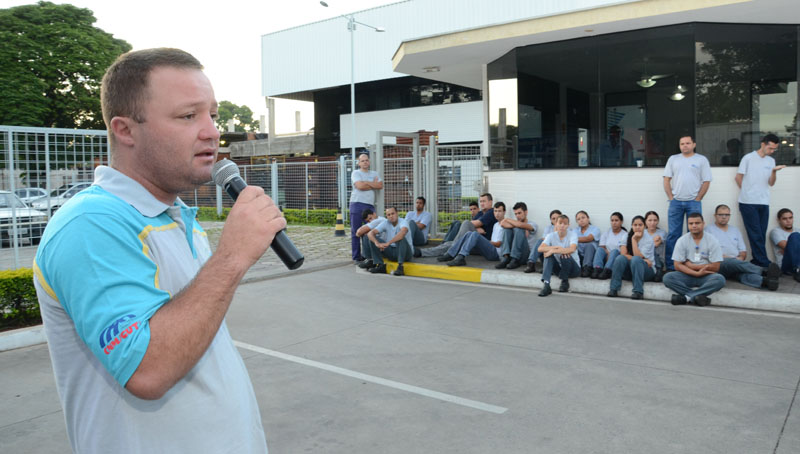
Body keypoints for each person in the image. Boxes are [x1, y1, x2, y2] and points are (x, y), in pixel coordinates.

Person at [32, 48, 274, 452]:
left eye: (212, 115)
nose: (212, 131)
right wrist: (231, 257)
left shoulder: (175, 217)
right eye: (188, 116)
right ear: (125, 130)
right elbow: (146, 370)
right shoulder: (91, 224)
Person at [663, 133, 712, 271]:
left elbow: (707, 181)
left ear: (694, 144)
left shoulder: (701, 160)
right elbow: (666, 179)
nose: (685, 146)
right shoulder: (673, 159)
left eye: (687, 143)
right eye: (682, 144)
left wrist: (698, 198)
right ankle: (672, 266)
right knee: (673, 235)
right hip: (676, 202)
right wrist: (671, 198)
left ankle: (694, 264)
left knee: (695, 233)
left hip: (693, 203)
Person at [735, 134, 786, 267]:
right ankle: (764, 263)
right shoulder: (748, 158)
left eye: (774, 149)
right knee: (755, 233)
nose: (772, 151)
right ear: (763, 144)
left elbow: (771, 183)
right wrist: (747, 191)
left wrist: (774, 172)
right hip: (748, 202)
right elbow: (738, 177)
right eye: (770, 148)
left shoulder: (770, 161)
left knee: (761, 234)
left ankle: (757, 261)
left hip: (764, 202)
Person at [705, 204, 780, 291]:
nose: (724, 217)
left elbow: (743, 252)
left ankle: (766, 282)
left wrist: (740, 258)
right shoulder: (708, 230)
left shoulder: (735, 230)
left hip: (737, 264)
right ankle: (764, 271)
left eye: (727, 215)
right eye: (721, 215)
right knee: (731, 262)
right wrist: (731, 259)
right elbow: (707, 252)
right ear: (715, 216)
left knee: (743, 275)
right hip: (719, 264)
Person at [662, 212, 725, 306]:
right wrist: (695, 273)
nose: (694, 226)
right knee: (668, 278)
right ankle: (697, 297)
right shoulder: (682, 240)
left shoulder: (712, 240)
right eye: (691, 224)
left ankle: (686, 298)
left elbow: (716, 267)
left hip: (706, 275)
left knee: (720, 279)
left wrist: (693, 266)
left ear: (703, 224)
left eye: (697, 223)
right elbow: (677, 265)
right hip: (687, 274)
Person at [425, 193, 496, 258]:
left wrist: (475, 226)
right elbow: (473, 225)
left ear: (490, 202)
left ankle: (452, 251)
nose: (482, 203)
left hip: (484, 246)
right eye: (480, 201)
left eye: (484, 201)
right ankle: (422, 252)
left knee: (465, 223)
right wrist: (477, 229)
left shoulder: (491, 212)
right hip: (472, 243)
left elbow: (474, 224)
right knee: (448, 244)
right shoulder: (480, 213)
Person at [439, 202, 506, 266]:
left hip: (496, 254)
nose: (497, 214)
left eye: (499, 211)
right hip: (490, 249)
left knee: (475, 234)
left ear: (504, 212)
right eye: (495, 211)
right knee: (469, 233)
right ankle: (451, 254)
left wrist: (486, 242)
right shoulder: (496, 224)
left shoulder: (505, 226)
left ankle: (461, 256)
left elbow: (499, 244)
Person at [607, 215, 656, 300]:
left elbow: (637, 257)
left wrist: (633, 239)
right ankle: (614, 289)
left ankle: (638, 291)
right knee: (620, 259)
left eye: (640, 225)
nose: (637, 227)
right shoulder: (626, 236)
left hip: (647, 271)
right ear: (632, 226)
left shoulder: (648, 239)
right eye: (635, 225)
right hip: (632, 270)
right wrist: (643, 259)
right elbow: (623, 254)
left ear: (645, 226)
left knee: (636, 259)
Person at [349, 152, 383, 262]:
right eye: (362, 160)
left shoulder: (375, 173)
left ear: (369, 161)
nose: (365, 162)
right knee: (356, 232)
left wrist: (366, 183)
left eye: (366, 160)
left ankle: (368, 255)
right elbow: (359, 186)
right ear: (359, 163)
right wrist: (371, 184)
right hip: (356, 204)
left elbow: (380, 185)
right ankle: (356, 257)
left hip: (369, 206)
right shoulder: (356, 173)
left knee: (371, 230)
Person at [538, 214, 581, 296]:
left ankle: (564, 282)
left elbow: (572, 249)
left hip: (574, 269)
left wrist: (553, 250)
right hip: (559, 270)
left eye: (565, 223)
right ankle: (546, 285)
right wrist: (554, 248)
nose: (562, 225)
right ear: (556, 224)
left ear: (568, 225)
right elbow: (540, 248)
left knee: (565, 254)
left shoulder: (573, 234)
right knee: (548, 256)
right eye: (560, 223)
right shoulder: (551, 236)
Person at [366, 206, 413, 276]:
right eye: (389, 215)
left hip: (405, 253)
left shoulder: (403, 222)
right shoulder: (386, 223)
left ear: (397, 213)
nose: (391, 216)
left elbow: (402, 233)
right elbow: (370, 233)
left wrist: (388, 243)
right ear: (387, 216)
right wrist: (377, 243)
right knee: (372, 239)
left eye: (393, 213)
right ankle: (380, 265)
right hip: (391, 252)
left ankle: (400, 267)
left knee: (400, 238)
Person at [495, 202, 537, 270]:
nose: (517, 216)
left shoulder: (533, 224)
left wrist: (507, 219)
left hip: (525, 255)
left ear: (526, 212)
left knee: (518, 229)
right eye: (515, 214)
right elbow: (502, 224)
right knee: (507, 230)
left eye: (519, 213)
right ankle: (506, 257)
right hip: (512, 255)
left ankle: (515, 259)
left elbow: (520, 225)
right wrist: (514, 225)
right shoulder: (515, 223)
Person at [591, 212, 627, 279]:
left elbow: (623, 251)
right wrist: (608, 254)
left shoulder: (625, 234)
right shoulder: (606, 233)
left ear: (621, 222)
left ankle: (607, 271)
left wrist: (611, 255)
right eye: (612, 220)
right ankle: (597, 269)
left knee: (615, 251)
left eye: (616, 220)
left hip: (616, 258)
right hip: (606, 256)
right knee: (599, 249)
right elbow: (602, 247)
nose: (614, 223)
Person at [524, 209, 562, 273]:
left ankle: (550, 268)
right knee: (540, 241)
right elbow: (544, 240)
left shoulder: (566, 228)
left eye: (558, 218)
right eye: (553, 218)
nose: (556, 220)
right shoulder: (548, 228)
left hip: (558, 253)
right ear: (551, 220)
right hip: (548, 251)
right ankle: (531, 263)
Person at [769, 208, 800, 281]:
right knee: (795, 236)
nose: (788, 221)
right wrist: (790, 250)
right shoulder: (776, 232)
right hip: (785, 264)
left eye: (790, 218)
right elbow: (788, 247)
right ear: (779, 220)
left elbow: (791, 249)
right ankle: (797, 270)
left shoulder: (798, 230)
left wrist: (789, 250)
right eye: (784, 219)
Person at [573, 210, 601, 277]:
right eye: (578, 219)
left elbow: (589, 238)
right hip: (580, 256)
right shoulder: (575, 230)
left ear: (588, 218)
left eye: (583, 217)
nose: (581, 220)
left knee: (589, 244)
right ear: (577, 222)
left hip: (591, 256)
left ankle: (587, 268)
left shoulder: (595, 229)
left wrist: (575, 239)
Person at [643, 210, 667, 281]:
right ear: (645, 221)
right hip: (645, 259)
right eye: (650, 220)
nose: (652, 223)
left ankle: (659, 269)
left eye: (655, 220)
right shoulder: (642, 233)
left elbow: (656, 244)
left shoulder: (662, 232)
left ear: (658, 221)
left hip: (658, 260)